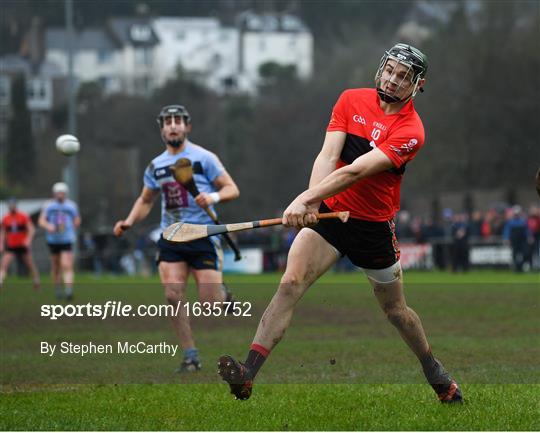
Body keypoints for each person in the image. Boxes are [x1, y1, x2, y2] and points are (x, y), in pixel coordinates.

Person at [218, 43, 463, 404]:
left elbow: (356, 170)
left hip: (371, 227)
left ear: (417, 85)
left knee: (396, 312)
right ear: (381, 68)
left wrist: (304, 200)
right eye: (390, 71)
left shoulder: (412, 130)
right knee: (290, 283)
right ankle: (248, 373)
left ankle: (435, 373)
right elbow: (329, 155)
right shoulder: (350, 100)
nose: (393, 80)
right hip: (331, 217)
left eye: (404, 77)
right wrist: (314, 202)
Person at [114, 104, 240, 372]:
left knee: (210, 306)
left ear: (187, 127)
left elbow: (232, 189)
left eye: (178, 121)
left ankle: (223, 296)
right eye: (168, 121)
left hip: (203, 234)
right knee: (173, 296)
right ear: (161, 129)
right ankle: (190, 356)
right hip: (171, 236)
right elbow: (146, 200)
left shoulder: (204, 158)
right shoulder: (156, 166)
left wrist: (213, 197)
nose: (173, 125)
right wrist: (128, 221)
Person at [38, 182, 81, 300]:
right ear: (54, 194)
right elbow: (41, 220)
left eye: (62, 193)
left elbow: (77, 220)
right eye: (58, 193)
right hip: (53, 240)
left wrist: (72, 226)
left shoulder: (71, 206)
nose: (60, 195)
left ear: (66, 194)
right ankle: (57, 289)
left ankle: (68, 291)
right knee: (56, 266)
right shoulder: (48, 206)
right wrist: (48, 226)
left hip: (66, 239)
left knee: (67, 265)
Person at [0, 198, 40, 290]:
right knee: (4, 264)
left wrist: (28, 240)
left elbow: (31, 229)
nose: (11, 206)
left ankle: (36, 281)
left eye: (13, 204)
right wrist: (1, 243)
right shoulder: (6, 218)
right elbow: (3, 232)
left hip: (22, 245)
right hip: (11, 245)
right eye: (10, 205)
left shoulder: (23, 216)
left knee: (30, 264)